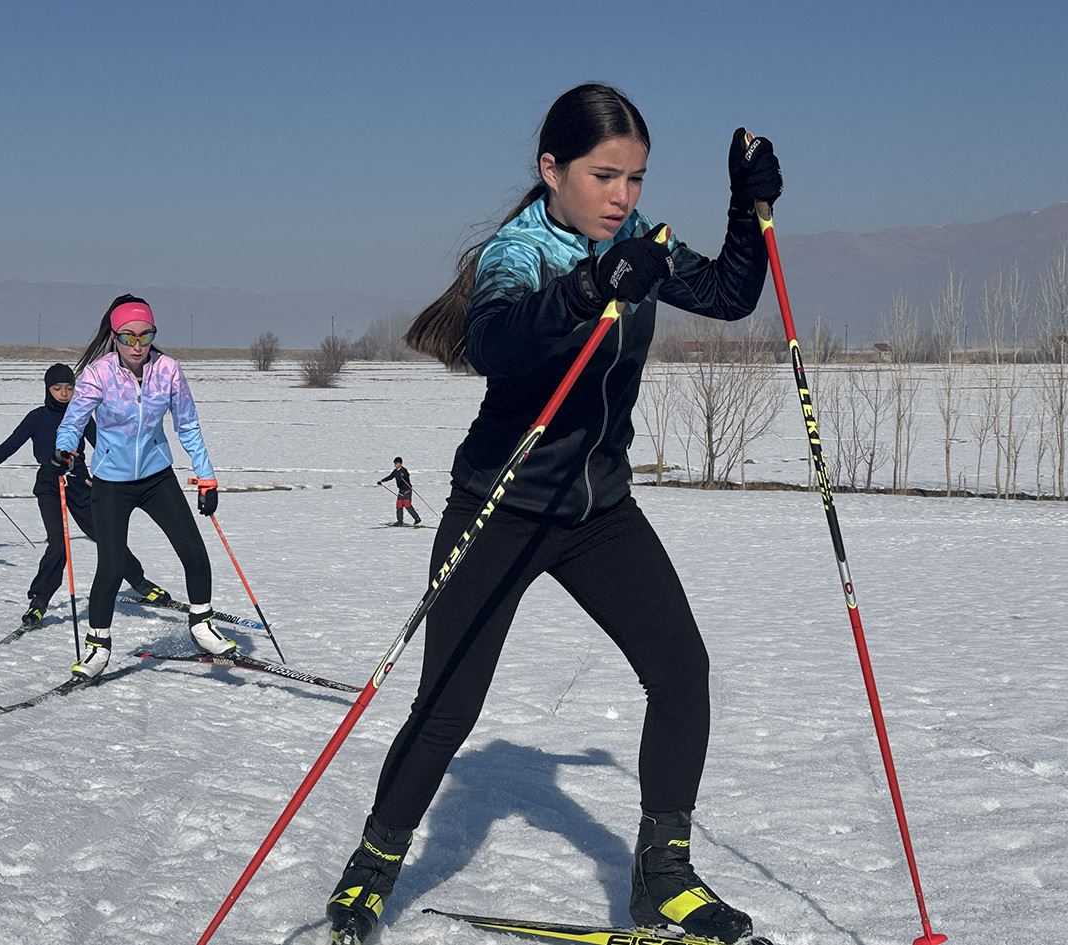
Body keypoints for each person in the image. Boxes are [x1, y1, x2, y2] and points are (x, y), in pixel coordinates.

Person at [325, 84, 781, 945]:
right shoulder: (519, 251)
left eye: (637, 179)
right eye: (605, 176)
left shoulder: (638, 246)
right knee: (448, 707)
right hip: (502, 505)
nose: (623, 197)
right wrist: (589, 286)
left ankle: (665, 877)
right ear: (551, 169)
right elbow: (499, 340)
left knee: (682, 673)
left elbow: (729, 295)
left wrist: (747, 205)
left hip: (598, 509)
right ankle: (372, 867)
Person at [55, 295, 232, 679]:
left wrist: (207, 477)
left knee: (193, 550)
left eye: (145, 335)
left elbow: (187, 425)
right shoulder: (98, 374)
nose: (137, 345)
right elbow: (72, 423)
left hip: (156, 477)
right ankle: (98, 647)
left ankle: (201, 623)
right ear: (115, 337)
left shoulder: (167, 370)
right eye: (127, 336)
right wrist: (64, 451)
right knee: (112, 565)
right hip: (111, 483)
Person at [0, 362, 174, 630]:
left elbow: (104, 445)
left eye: (69, 388)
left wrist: (131, 464)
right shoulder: (37, 417)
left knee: (106, 537)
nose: (63, 393)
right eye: (57, 388)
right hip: (49, 484)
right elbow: (12, 444)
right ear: (48, 389)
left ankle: (139, 581)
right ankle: (38, 601)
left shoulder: (81, 415)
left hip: (79, 482)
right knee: (58, 545)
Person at [377, 457, 422, 526]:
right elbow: (390, 477)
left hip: (407, 490)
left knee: (407, 505)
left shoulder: (404, 470)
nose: (396, 465)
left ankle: (417, 519)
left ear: (401, 464)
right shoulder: (395, 471)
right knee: (399, 505)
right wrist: (382, 481)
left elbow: (407, 475)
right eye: (395, 463)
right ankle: (400, 521)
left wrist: (403, 476)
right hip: (401, 491)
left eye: (397, 463)